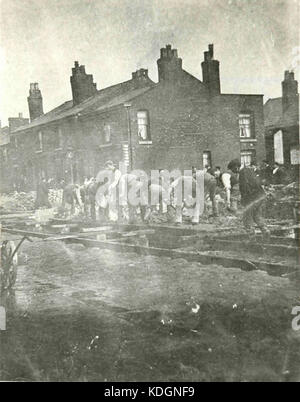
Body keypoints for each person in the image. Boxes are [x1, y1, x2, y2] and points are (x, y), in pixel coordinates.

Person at [238, 160, 270, 239]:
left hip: (251, 198)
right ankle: (265, 230)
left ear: (236, 167)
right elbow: (258, 183)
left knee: (247, 217)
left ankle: (251, 236)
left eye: (233, 170)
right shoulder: (251, 171)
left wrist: (244, 200)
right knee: (257, 215)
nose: (233, 171)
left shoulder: (242, 172)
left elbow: (244, 187)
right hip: (260, 196)